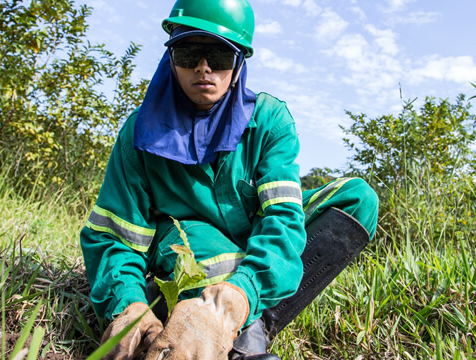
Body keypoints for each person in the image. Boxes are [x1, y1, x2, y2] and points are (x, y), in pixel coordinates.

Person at [80, 0, 379, 359]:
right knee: (211, 251)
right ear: (171, 58)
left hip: (250, 233)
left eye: (220, 57)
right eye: (189, 53)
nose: (203, 68)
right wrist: (127, 304)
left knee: (357, 199)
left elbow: (283, 219)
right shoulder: (138, 134)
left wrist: (241, 293)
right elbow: (115, 239)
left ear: (238, 65)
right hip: (187, 246)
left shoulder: (270, 120)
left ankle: (240, 318)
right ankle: (243, 346)